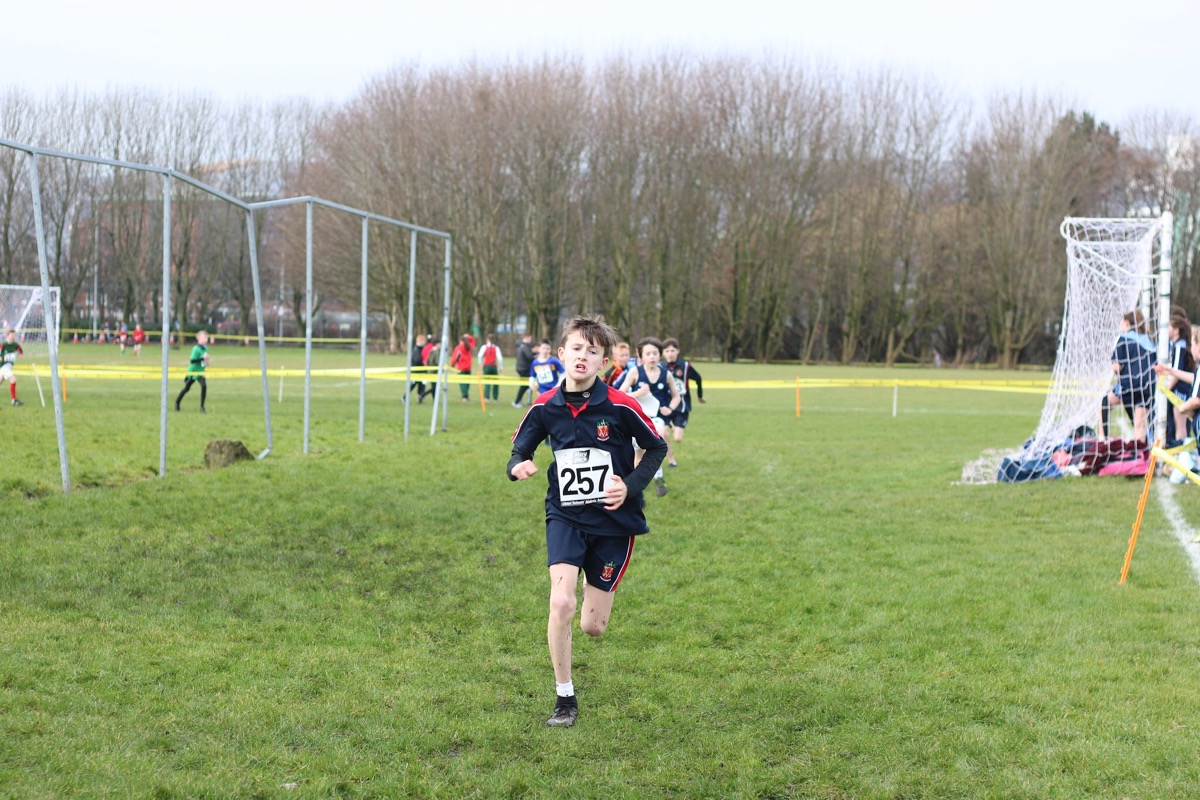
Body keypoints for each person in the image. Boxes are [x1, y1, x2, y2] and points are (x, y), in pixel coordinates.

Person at [507, 314, 668, 728]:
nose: (583, 356)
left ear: (603, 363)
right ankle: (565, 697)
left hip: (614, 522)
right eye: (576, 348)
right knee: (560, 602)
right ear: (562, 354)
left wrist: (629, 486)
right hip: (565, 514)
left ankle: (589, 584)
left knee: (593, 627)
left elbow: (656, 447)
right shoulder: (545, 405)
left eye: (592, 351)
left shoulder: (620, 405)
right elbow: (520, 449)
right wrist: (517, 466)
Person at [619, 336, 682, 493]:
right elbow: (620, 395)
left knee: (657, 437)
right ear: (641, 356)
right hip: (638, 418)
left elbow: (676, 396)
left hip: (657, 418)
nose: (652, 357)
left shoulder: (666, 374)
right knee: (639, 454)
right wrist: (638, 393)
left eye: (655, 353)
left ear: (660, 354)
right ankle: (636, 488)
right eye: (648, 354)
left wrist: (670, 409)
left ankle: (659, 478)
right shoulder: (635, 372)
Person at [1102, 310, 1156, 443]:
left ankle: (1102, 440)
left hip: (1129, 384)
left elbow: (1117, 366)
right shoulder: (1149, 341)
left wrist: (1116, 373)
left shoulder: (1123, 338)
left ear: (1126, 323)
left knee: (1105, 403)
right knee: (1140, 424)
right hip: (1148, 385)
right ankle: (1143, 450)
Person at [661, 338, 705, 459]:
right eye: (667, 351)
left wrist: (700, 396)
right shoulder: (661, 367)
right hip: (666, 405)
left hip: (682, 405)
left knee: (678, 438)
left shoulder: (685, 366)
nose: (670, 353)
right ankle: (671, 459)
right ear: (663, 353)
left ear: (678, 351)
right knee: (664, 434)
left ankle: (674, 424)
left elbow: (698, 378)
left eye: (672, 350)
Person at [1161, 316, 1194, 447]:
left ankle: (1182, 454)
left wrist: (1167, 388)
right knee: (1176, 425)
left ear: (1176, 330)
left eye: (1168, 327)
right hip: (1180, 389)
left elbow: (1176, 371)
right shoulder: (1177, 345)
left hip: (1180, 391)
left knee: (1180, 426)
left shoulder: (1180, 347)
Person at [175, 330, 210, 413]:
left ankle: (202, 406)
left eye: (206, 338)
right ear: (199, 339)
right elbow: (192, 361)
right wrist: (202, 358)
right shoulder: (196, 349)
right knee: (187, 388)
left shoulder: (206, 348)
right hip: (193, 371)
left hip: (200, 371)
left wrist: (207, 361)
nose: (206, 339)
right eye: (204, 337)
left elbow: (204, 359)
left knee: (204, 386)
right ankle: (177, 402)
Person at [449, 334, 475, 402]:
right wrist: (468, 336)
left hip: (461, 368)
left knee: (462, 383)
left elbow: (455, 357)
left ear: (461, 341)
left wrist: (452, 365)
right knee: (467, 383)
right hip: (468, 368)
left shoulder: (458, 348)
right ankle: (466, 396)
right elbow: (473, 341)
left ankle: (464, 396)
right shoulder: (469, 347)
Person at [512, 333, 536, 408]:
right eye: (530, 338)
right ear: (526, 337)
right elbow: (529, 357)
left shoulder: (521, 345)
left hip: (521, 368)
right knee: (525, 385)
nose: (531, 340)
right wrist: (536, 357)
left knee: (526, 385)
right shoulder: (525, 346)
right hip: (524, 368)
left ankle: (521, 401)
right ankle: (516, 402)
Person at [1, 329, 23, 406]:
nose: (13, 336)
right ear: (7, 335)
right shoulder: (3, 345)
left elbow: (20, 351)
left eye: (14, 335)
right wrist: (2, 358)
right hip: (3, 366)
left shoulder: (15, 345)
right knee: (13, 379)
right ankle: (14, 400)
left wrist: (20, 355)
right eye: (12, 335)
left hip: (9, 367)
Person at [479, 333, 503, 402]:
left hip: (486, 366)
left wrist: (480, 364)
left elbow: (479, 356)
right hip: (494, 366)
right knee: (495, 382)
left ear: (487, 339)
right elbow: (500, 358)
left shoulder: (484, 347)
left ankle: (486, 397)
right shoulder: (496, 348)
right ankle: (495, 397)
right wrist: (500, 367)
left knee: (487, 382)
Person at [406, 334, 428, 403]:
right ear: (420, 341)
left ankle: (420, 396)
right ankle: (404, 397)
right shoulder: (416, 349)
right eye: (423, 341)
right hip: (416, 370)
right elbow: (417, 360)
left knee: (421, 384)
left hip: (420, 370)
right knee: (413, 384)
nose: (424, 343)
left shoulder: (420, 349)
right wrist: (423, 363)